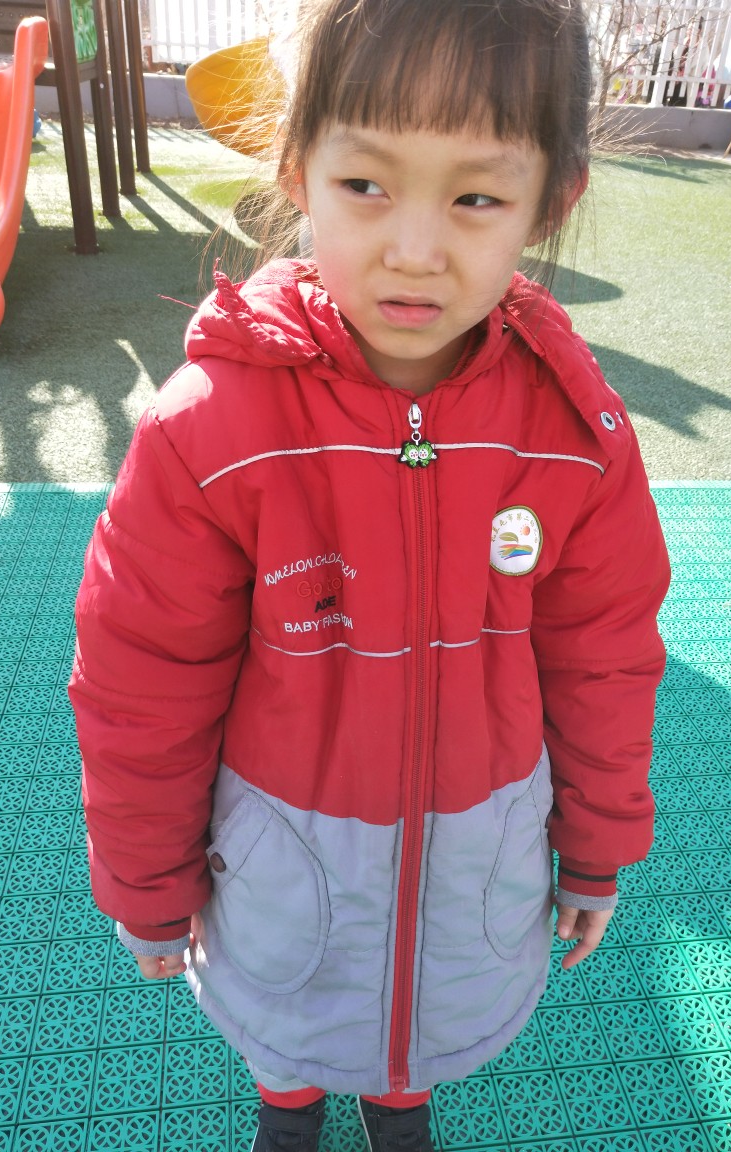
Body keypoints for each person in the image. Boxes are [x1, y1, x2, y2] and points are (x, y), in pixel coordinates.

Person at [69, 2, 671, 1150]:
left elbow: (605, 657)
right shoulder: (212, 430)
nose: (415, 248)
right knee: (286, 1014)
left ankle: (402, 1103)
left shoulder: (574, 432)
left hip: (478, 850)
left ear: (553, 200)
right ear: (297, 170)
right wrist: (146, 880)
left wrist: (597, 845)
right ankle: (287, 1104)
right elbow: (142, 680)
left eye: (476, 198)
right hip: (284, 849)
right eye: (366, 186)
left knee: (421, 1020)